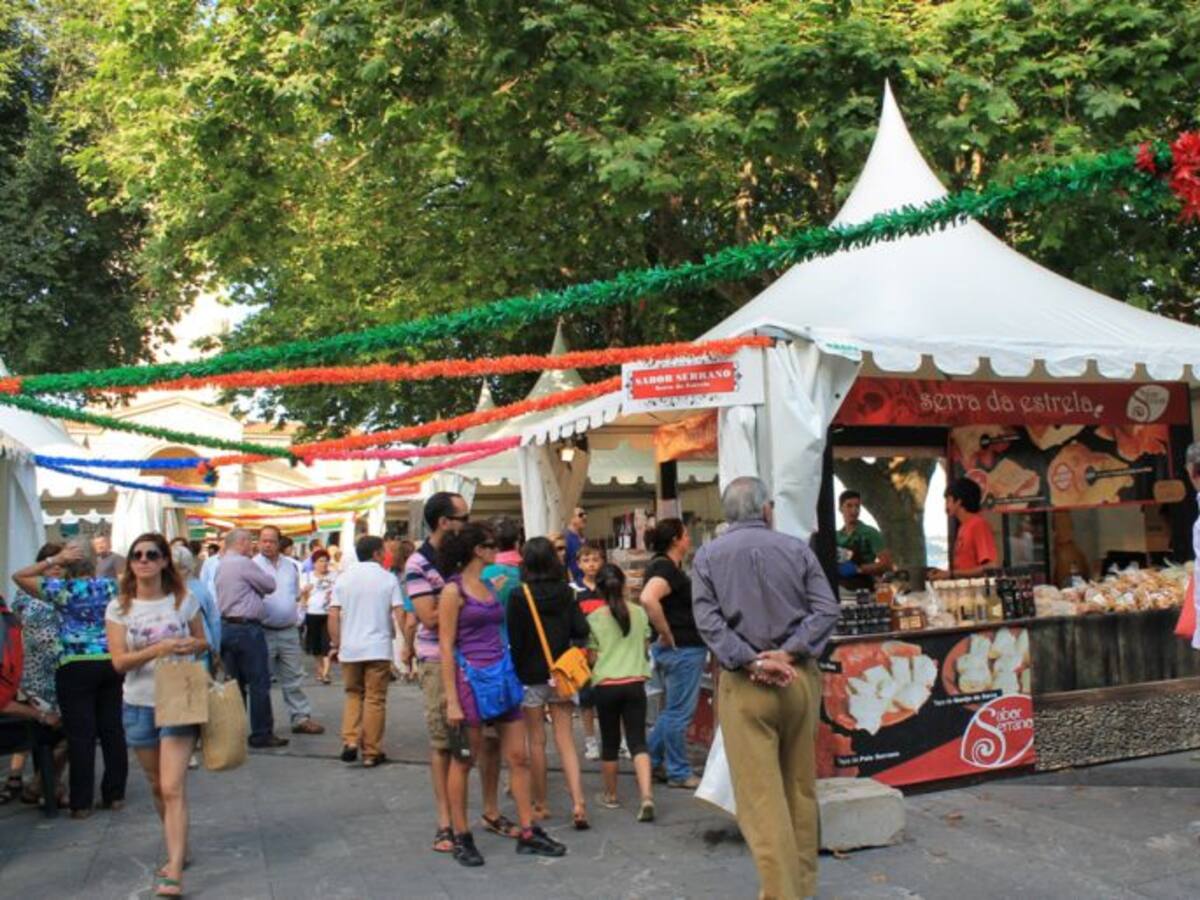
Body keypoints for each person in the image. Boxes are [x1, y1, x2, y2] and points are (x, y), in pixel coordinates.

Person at [691, 477, 840, 900]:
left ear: (727, 514)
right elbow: (827, 609)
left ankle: (780, 894)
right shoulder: (797, 549)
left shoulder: (707, 556)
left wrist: (753, 659)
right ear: (767, 509)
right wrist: (789, 654)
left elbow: (709, 623)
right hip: (798, 681)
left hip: (745, 683)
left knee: (761, 800)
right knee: (800, 789)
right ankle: (803, 888)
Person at [439, 523, 566, 866]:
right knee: (465, 759)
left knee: (519, 756)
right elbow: (446, 646)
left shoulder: (485, 587)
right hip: (471, 680)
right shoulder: (453, 592)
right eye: (491, 545)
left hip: (502, 675)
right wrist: (451, 699)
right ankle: (461, 834)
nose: (498, 550)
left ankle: (528, 830)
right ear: (478, 550)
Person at [105, 532, 208, 898]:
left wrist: (191, 645)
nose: (143, 560)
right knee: (155, 785)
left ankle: (175, 867)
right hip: (138, 703)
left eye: (152, 555)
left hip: (178, 700)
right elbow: (118, 662)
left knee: (172, 786)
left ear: (165, 561)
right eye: (137, 555)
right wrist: (159, 648)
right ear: (131, 563)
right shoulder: (120, 608)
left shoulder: (184, 600)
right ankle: (178, 844)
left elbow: (203, 642)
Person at [13, 539, 128, 818]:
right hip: (108, 660)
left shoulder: (60, 589)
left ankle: (81, 803)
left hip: (74, 663)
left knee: (81, 734)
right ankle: (114, 795)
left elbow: (19, 576)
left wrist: (54, 560)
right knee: (112, 730)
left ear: (68, 566)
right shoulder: (111, 586)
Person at [506, 536, 590, 828]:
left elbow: (515, 642)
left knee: (537, 742)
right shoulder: (567, 593)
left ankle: (541, 803)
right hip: (562, 675)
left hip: (530, 676)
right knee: (566, 740)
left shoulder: (520, 595)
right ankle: (578, 802)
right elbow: (581, 629)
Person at [405, 491, 468, 853]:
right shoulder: (418, 563)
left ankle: (482, 813)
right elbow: (428, 617)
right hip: (436, 661)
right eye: (464, 517)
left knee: (479, 745)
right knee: (444, 743)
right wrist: (465, 602)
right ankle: (444, 822)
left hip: (473, 659)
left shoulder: (463, 557)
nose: (468, 524)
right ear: (445, 522)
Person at [587, 563, 655, 822]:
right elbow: (646, 645)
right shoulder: (639, 613)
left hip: (606, 686)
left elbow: (592, 657)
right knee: (638, 740)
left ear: (600, 590)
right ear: (624, 584)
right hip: (635, 682)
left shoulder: (594, 618)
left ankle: (611, 795)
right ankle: (647, 796)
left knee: (610, 742)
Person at [640, 518, 705, 789]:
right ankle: (678, 771)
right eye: (686, 535)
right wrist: (666, 633)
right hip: (682, 648)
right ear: (676, 540)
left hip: (676, 648)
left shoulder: (663, 565)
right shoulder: (665, 568)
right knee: (678, 713)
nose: (689, 540)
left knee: (671, 712)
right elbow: (648, 598)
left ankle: (651, 759)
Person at [329, 536, 404, 767]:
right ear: (376, 554)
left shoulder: (343, 579)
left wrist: (336, 643)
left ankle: (350, 740)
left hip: (350, 648)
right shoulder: (388, 579)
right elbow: (399, 612)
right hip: (378, 648)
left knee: (353, 694)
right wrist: (409, 644)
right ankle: (371, 751)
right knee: (375, 698)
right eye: (383, 551)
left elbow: (333, 613)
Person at [4, 543, 68, 807]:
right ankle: (29, 781)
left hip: (62, 673)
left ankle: (43, 784)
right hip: (33, 675)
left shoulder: (69, 593)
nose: (55, 570)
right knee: (38, 731)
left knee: (65, 732)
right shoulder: (24, 595)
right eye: (50, 564)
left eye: (61, 566)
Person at [215, 528, 287, 748]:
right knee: (258, 682)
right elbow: (269, 585)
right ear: (243, 542)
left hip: (227, 625)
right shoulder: (244, 563)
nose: (253, 546)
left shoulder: (220, 564)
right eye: (251, 542)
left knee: (234, 683)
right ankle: (261, 732)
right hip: (247, 629)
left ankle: (233, 732)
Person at [254, 525, 324, 736]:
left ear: (279, 543)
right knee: (261, 680)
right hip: (263, 630)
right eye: (263, 540)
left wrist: (298, 616)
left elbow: (294, 595)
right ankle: (264, 726)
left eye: (271, 541)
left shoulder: (290, 567)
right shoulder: (253, 566)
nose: (267, 544)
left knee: (294, 676)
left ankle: (300, 717)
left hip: (288, 630)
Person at [572, 542, 606, 761]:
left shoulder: (607, 587)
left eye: (595, 559)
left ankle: (618, 740)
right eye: (586, 560)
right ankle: (591, 741)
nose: (591, 564)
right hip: (583, 653)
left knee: (611, 697)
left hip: (608, 651)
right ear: (578, 564)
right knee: (586, 700)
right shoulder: (574, 591)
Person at [929, 477, 999, 580]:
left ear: (958, 502)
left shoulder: (978, 525)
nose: (946, 506)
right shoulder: (963, 527)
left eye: (948, 500)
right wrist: (945, 573)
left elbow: (991, 567)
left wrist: (952, 574)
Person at [171, 544, 221, 675]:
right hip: (201, 649)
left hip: (185, 652)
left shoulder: (164, 591)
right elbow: (214, 621)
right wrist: (216, 649)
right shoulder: (201, 588)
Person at [836, 490, 892, 595]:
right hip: (839, 589)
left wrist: (858, 569)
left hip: (863, 591)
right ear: (840, 508)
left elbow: (887, 564)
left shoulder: (870, 533)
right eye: (849, 506)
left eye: (857, 506)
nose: (854, 510)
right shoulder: (835, 536)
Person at [302, 549, 336, 683]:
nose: (324, 564)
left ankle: (326, 673)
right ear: (314, 563)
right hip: (312, 612)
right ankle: (320, 669)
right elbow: (301, 596)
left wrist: (332, 594)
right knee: (316, 645)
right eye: (321, 561)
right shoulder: (307, 576)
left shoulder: (334, 576)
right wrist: (305, 591)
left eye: (326, 561)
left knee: (327, 643)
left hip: (329, 613)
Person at [564, 506, 588, 583]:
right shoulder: (566, 538)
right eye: (580, 515)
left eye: (585, 514)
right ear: (571, 518)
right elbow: (564, 563)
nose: (585, 517)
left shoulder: (583, 538)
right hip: (574, 583)